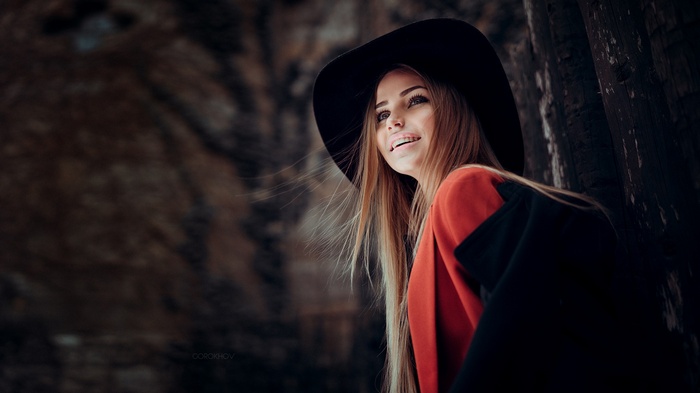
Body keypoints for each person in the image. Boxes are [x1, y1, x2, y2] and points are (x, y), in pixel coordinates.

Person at [312, 18, 623, 393]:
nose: (394, 121)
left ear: (453, 109)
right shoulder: (422, 237)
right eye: (381, 115)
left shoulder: (465, 188)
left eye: (416, 99)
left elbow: (524, 330)